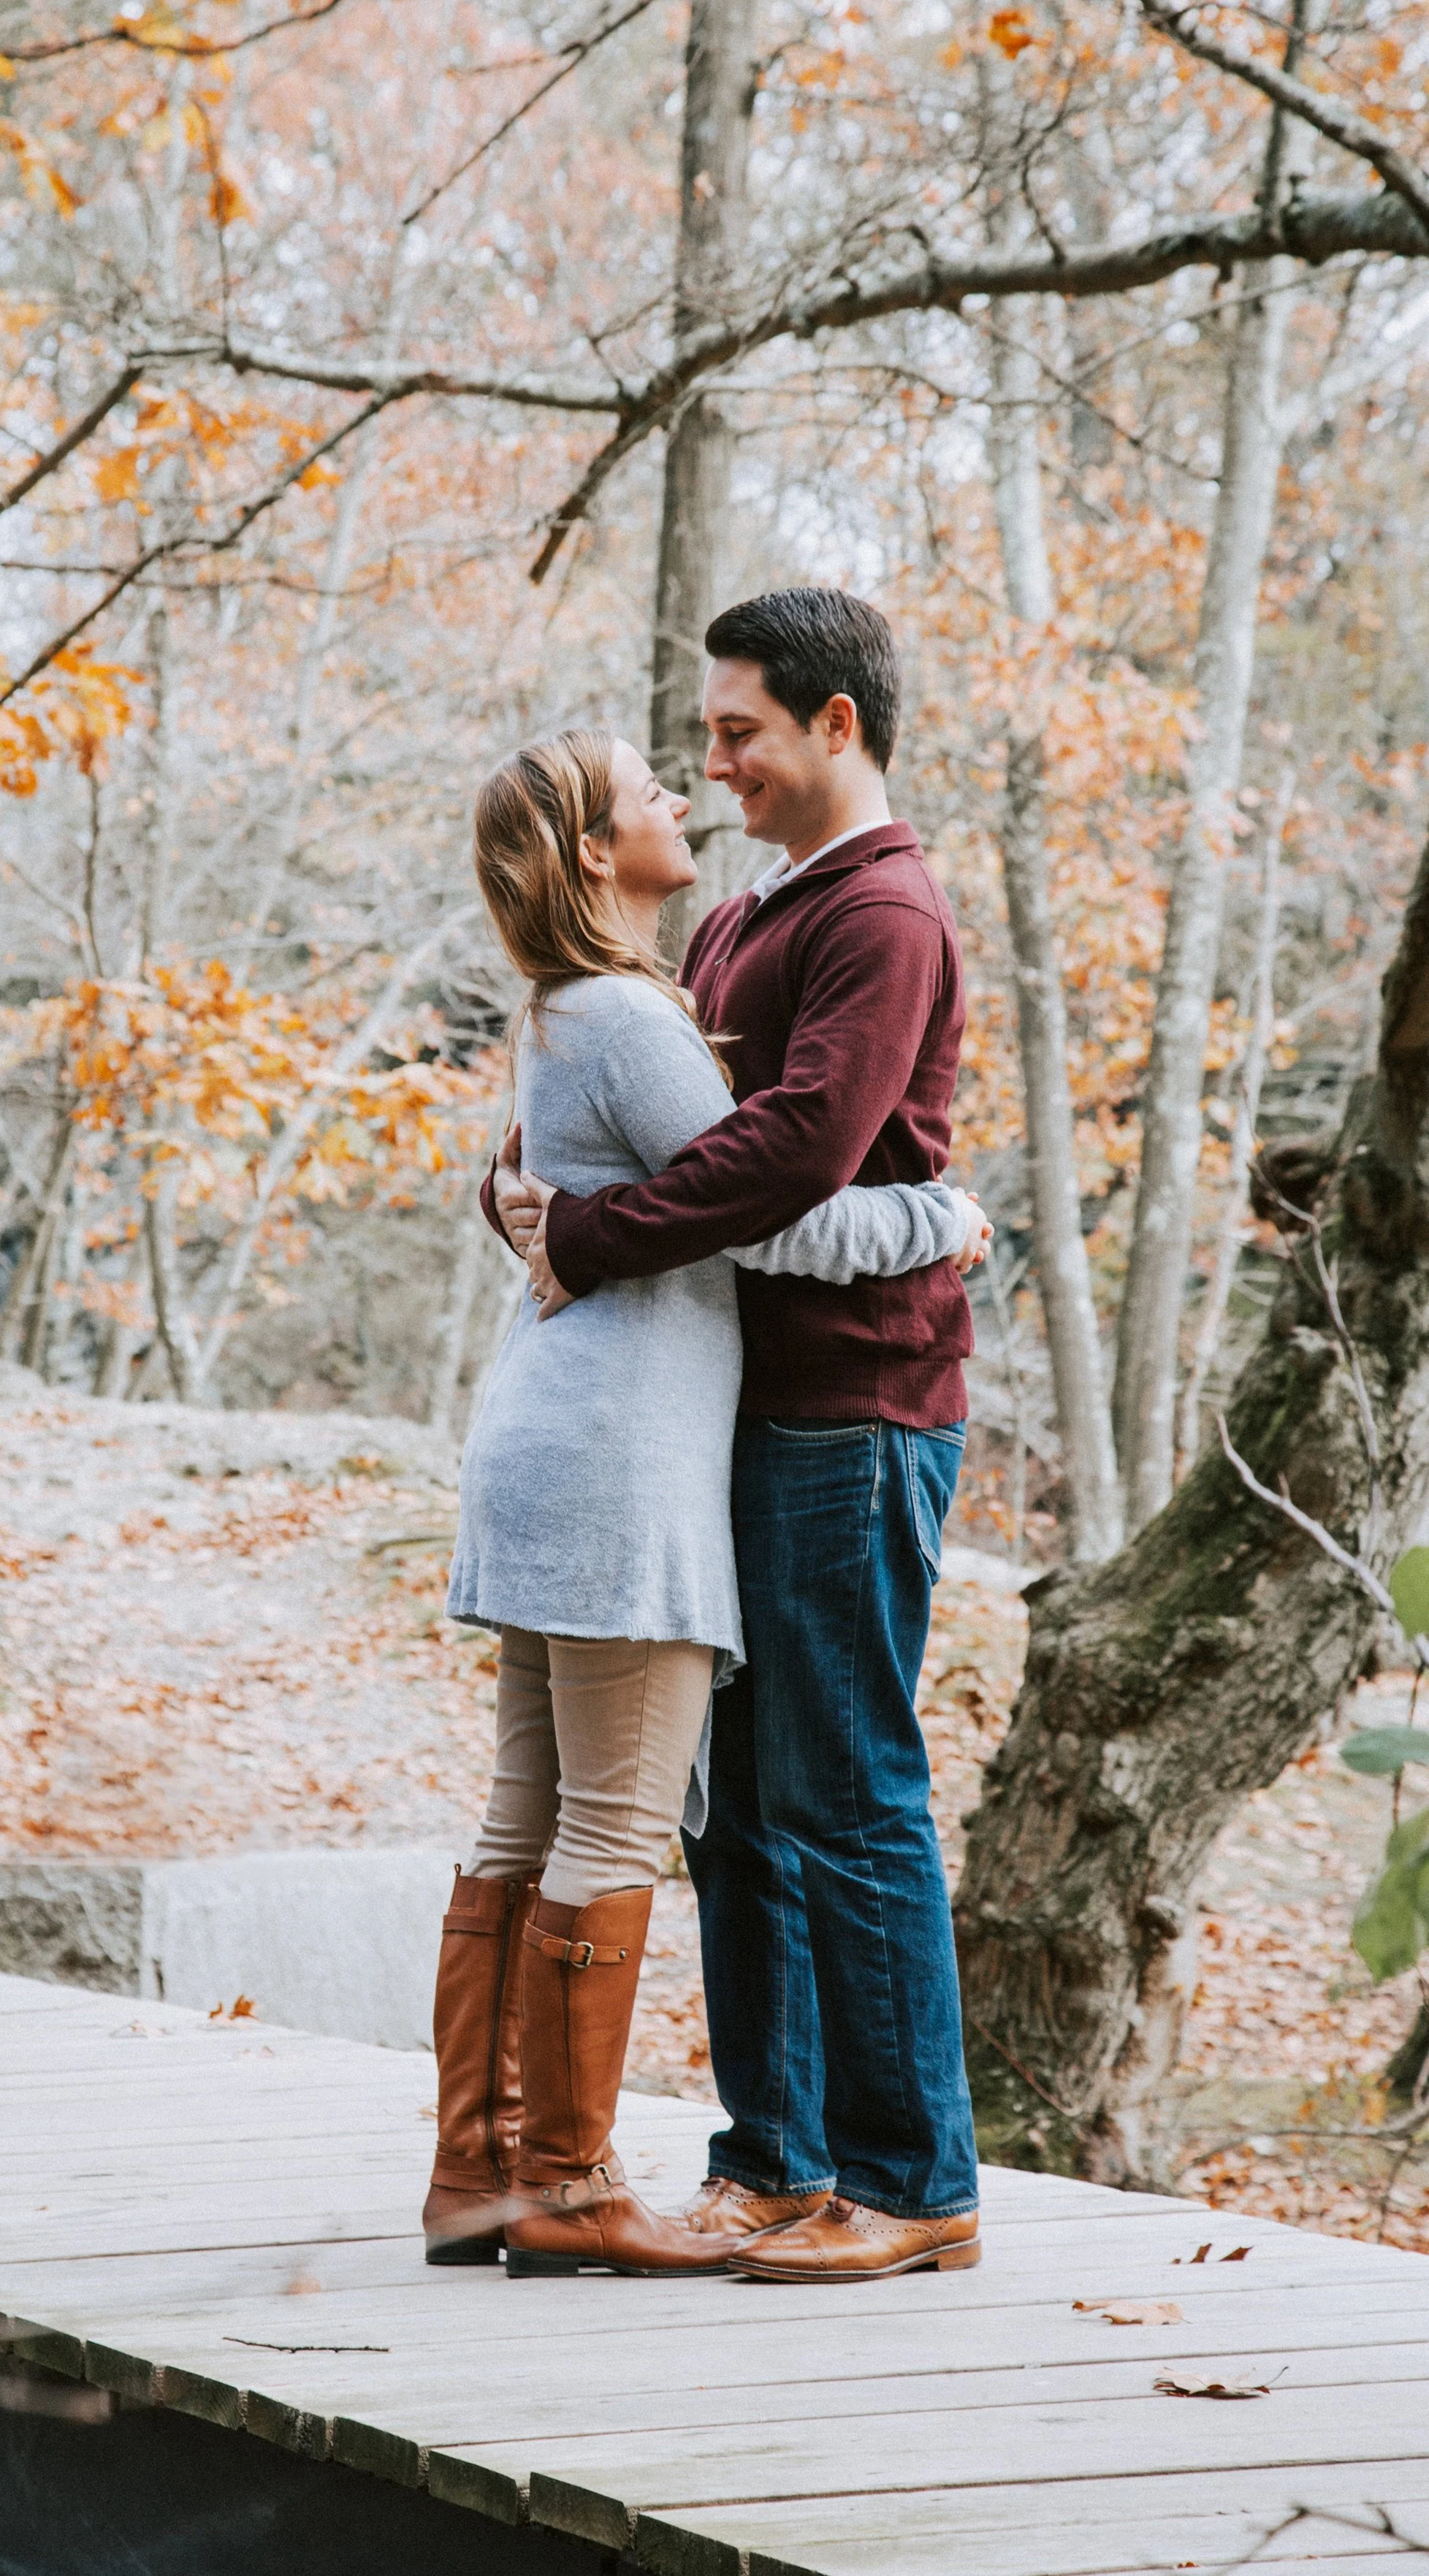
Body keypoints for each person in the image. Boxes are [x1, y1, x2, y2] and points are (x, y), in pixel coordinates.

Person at [425, 723, 985, 2280]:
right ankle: (564, 2176)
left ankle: (483, 2171)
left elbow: (565, 1179)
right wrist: (942, 1218)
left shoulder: (571, 1007)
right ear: (595, 855)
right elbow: (770, 1215)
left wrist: (549, 1208)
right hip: (619, 1462)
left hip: (544, 1432)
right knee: (614, 1815)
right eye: (647, 785)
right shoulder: (633, 1006)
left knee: (527, 1807)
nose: (684, 784)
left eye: (713, 740)